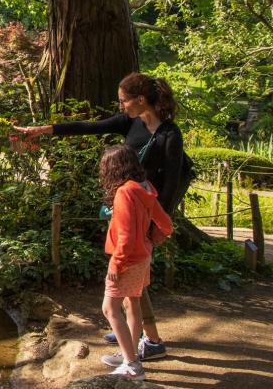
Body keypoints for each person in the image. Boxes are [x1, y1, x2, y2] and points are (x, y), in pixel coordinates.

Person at [15, 72, 184, 360]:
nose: (120, 106)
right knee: (132, 283)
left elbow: (170, 185)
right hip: (123, 209)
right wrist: (45, 130)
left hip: (144, 217)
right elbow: (87, 127)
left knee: (132, 281)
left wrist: (157, 228)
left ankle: (149, 340)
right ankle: (132, 333)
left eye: (123, 101)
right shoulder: (131, 122)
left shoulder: (169, 135)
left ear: (140, 100)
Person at [97, 144, 173, 379]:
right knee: (132, 304)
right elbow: (166, 225)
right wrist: (152, 240)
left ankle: (132, 365)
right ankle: (129, 353)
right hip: (142, 257)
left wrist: (116, 265)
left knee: (109, 308)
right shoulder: (145, 187)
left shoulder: (124, 192)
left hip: (127, 259)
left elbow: (126, 238)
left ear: (114, 168)